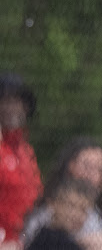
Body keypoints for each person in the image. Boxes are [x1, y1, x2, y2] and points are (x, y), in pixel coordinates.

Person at [23, 137, 102, 249]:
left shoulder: (95, 215)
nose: (95, 176)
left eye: (100, 170)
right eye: (88, 167)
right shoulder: (43, 217)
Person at [0, 73, 41, 250]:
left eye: (18, 102)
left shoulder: (26, 151)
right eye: (6, 101)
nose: (13, 108)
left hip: (27, 237)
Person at [25, 178, 95, 250]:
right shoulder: (52, 241)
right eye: (71, 206)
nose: (77, 214)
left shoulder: (41, 235)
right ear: (54, 204)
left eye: (84, 210)